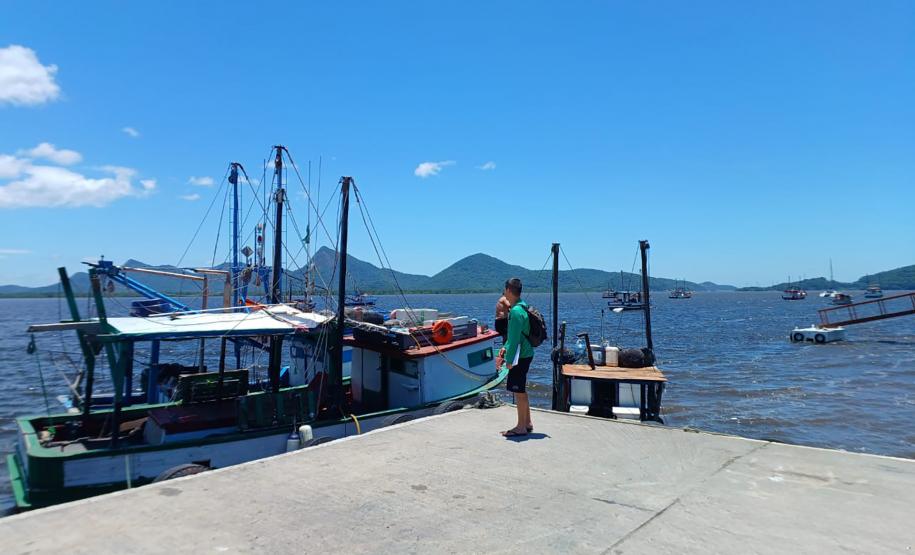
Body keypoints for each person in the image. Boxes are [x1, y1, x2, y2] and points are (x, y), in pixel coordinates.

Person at [494, 277, 534, 437]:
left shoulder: (516, 312)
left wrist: (509, 361)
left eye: (505, 289)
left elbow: (515, 338)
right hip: (525, 353)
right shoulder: (522, 306)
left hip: (521, 355)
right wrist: (505, 348)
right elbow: (513, 338)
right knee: (521, 390)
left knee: (518, 391)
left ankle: (520, 427)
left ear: (508, 290)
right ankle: (527, 422)